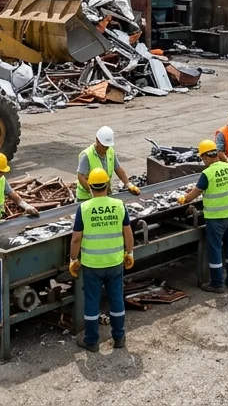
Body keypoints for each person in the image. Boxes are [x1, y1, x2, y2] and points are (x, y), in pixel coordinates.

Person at [69, 168, 135, 351]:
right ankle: (119, 338)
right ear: (107, 186)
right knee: (116, 300)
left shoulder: (84, 208)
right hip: (114, 262)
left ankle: (91, 341)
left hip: (92, 265)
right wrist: (129, 253)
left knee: (91, 302)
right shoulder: (119, 205)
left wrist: (73, 259)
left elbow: (76, 238)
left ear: (89, 187)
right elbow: (128, 233)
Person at [176, 139, 228, 292]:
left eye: (202, 158)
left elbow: (195, 194)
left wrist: (184, 199)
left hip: (216, 217)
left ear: (205, 156)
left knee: (215, 249)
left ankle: (217, 284)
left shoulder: (207, 173)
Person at [75, 126, 141, 201]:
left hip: (104, 193)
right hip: (87, 197)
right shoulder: (86, 155)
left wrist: (128, 184)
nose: (106, 148)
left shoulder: (110, 151)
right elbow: (81, 177)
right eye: (104, 146)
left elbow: (118, 169)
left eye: (107, 146)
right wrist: (93, 192)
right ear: (97, 140)